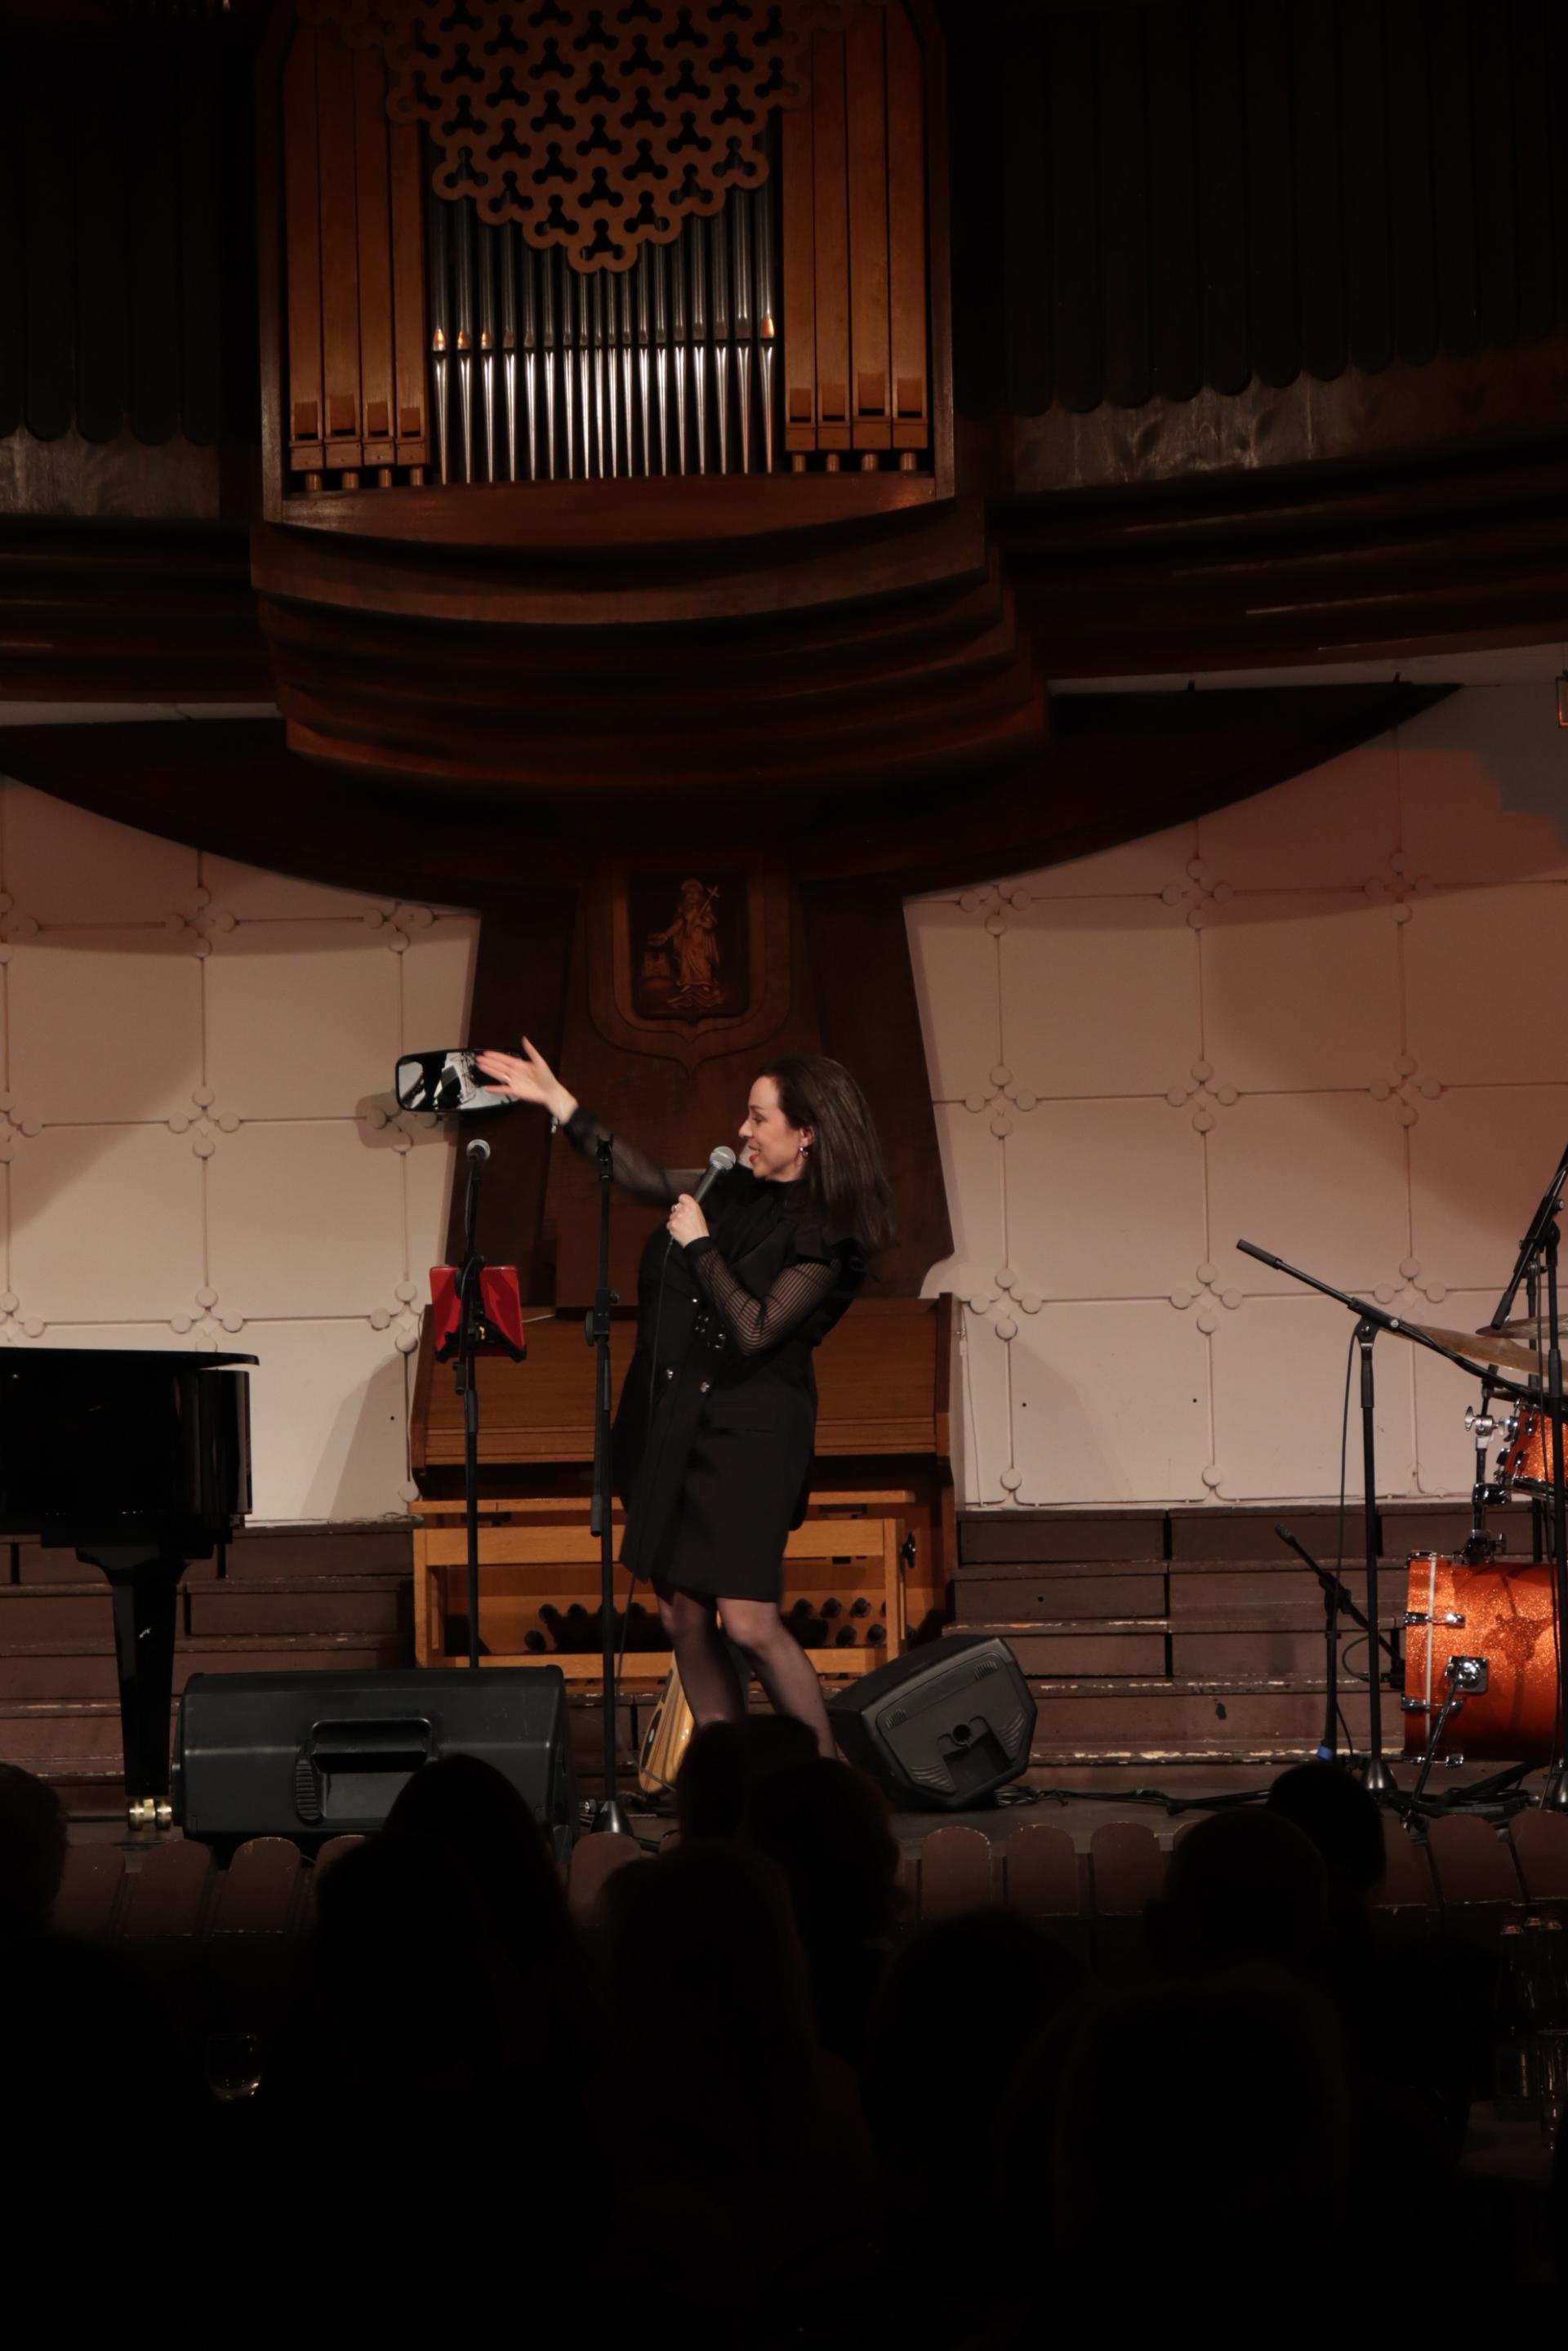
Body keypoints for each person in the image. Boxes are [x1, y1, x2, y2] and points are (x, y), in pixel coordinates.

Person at [475, 1040, 893, 1757]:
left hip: (751, 1437)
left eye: (758, 1118)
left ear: (807, 1133)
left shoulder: (829, 1234)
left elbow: (757, 1328)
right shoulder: (731, 1186)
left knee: (749, 1621)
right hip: (678, 1418)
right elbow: (640, 1174)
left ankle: (828, 1782)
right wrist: (560, 1103)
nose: (743, 1130)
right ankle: (729, 1785)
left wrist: (701, 1247)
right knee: (682, 1617)